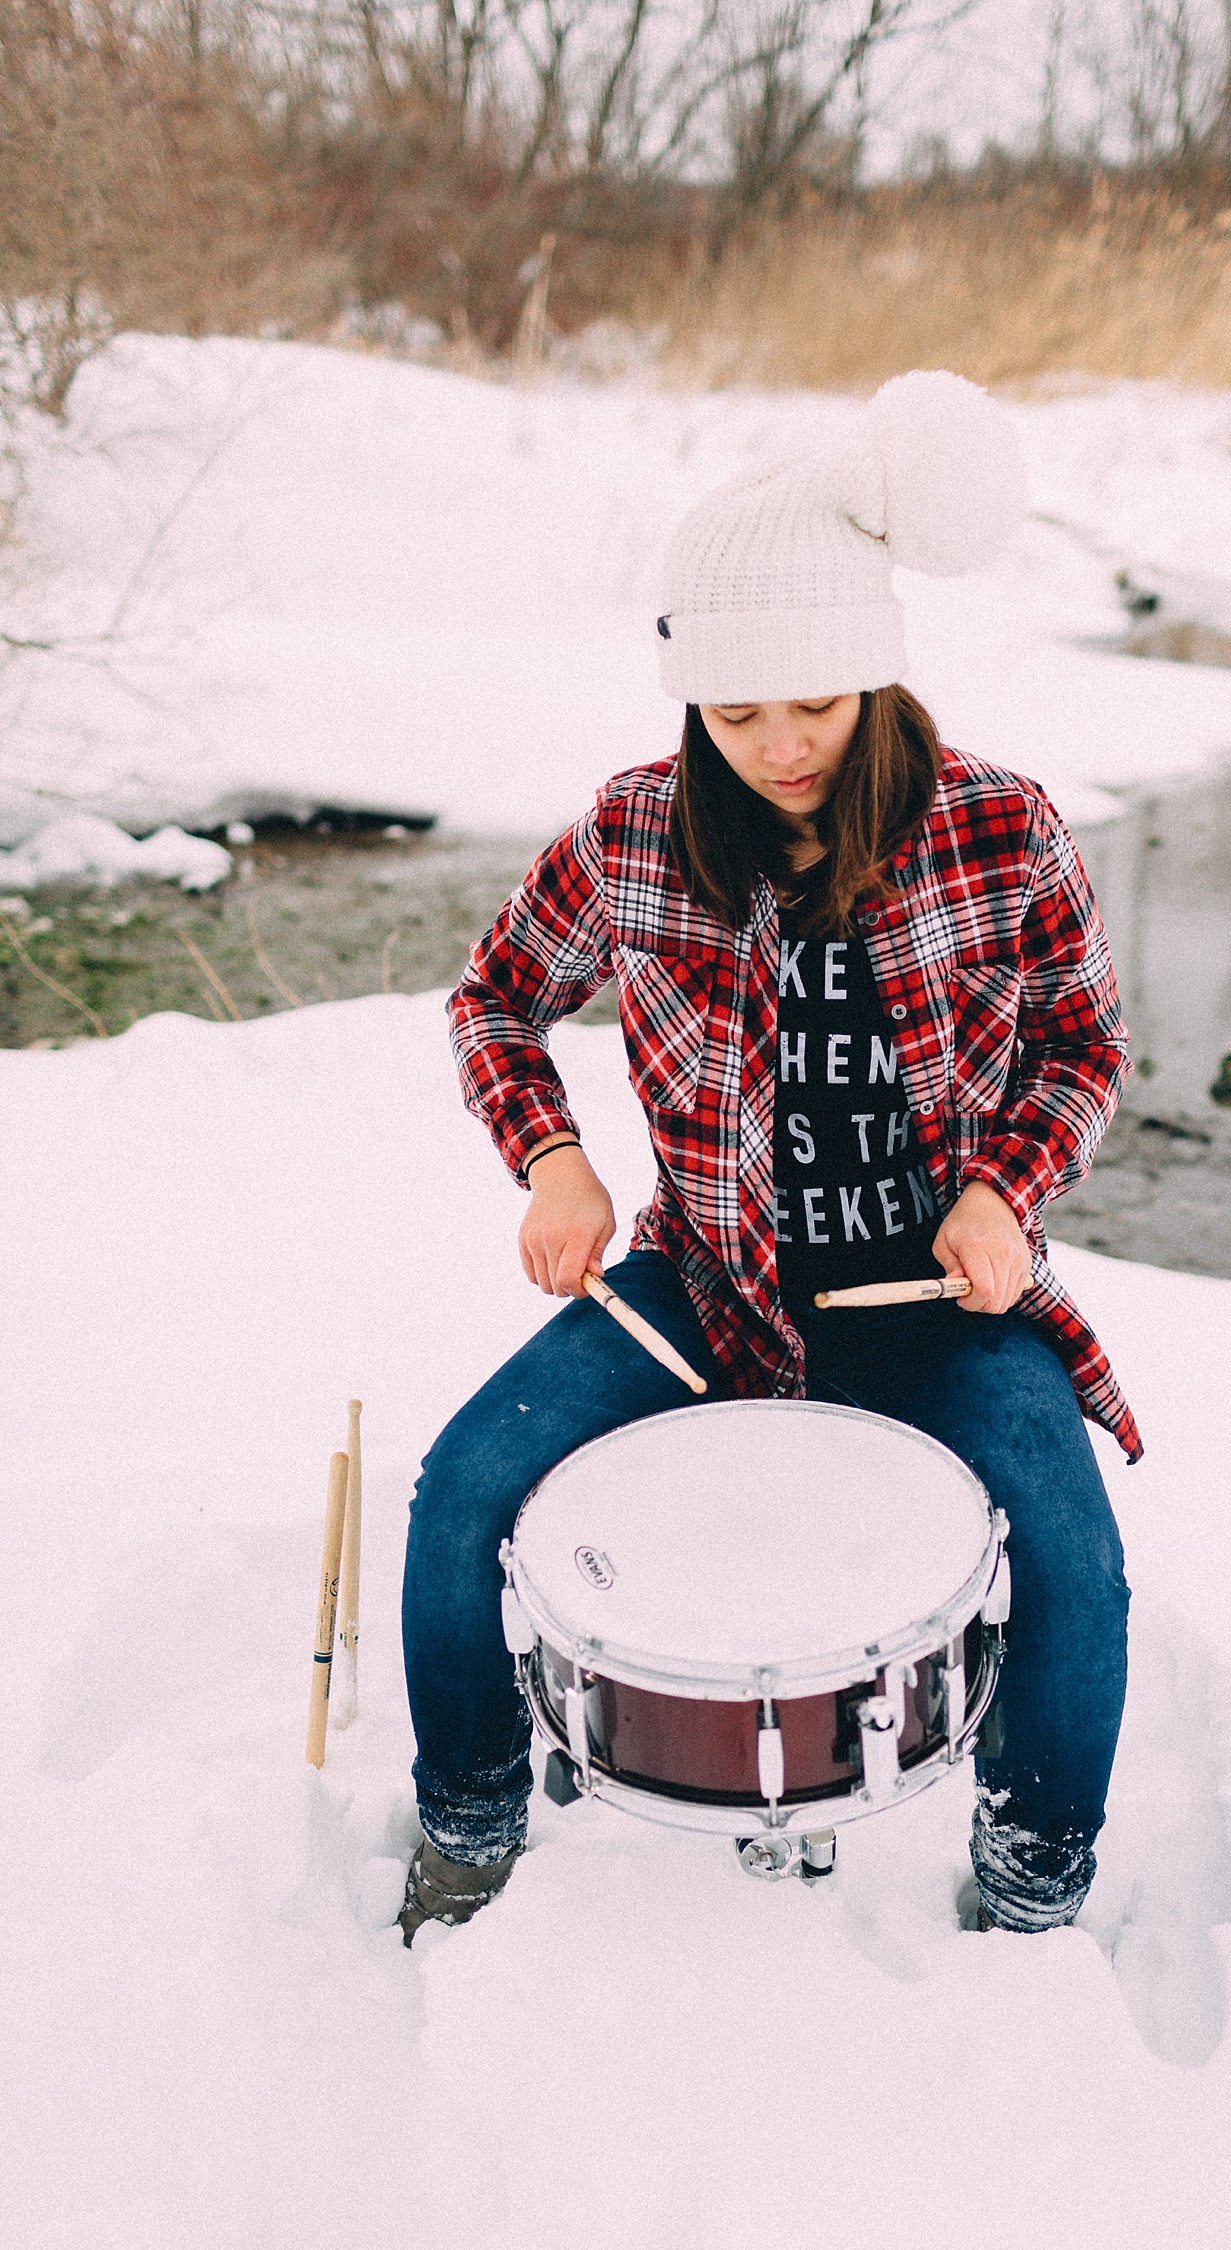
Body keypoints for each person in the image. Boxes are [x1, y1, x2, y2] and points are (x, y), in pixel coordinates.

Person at [399, 371, 1140, 1945]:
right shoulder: (634, 833)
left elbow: (1087, 1042)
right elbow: (494, 999)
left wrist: (1008, 1190)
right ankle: (470, 1805)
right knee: (460, 1491)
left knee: (1077, 1558)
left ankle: (1033, 1863)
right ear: (691, 704)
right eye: (738, 714)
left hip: (936, 1302)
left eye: (815, 703)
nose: (782, 745)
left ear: (876, 676)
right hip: (708, 1284)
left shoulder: (1003, 829)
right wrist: (550, 1161)